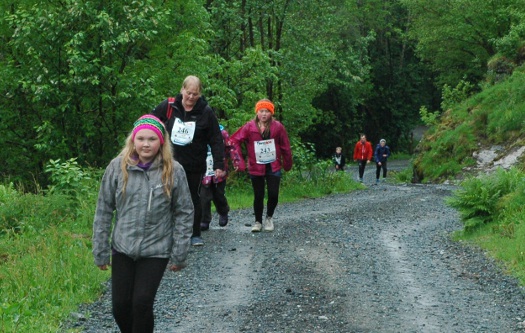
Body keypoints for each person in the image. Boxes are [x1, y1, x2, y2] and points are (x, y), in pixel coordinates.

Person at [92, 115, 194, 333]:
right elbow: (103, 209)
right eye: (141, 139)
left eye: (152, 139)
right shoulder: (117, 167)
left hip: (156, 250)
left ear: (161, 142)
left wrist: (180, 252)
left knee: (141, 303)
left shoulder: (174, 170)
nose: (146, 144)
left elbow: (184, 212)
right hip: (123, 247)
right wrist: (100, 250)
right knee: (120, 307)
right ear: (133, 141)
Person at [151, 75, 225, 246]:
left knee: (193, 197)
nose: (191, 97)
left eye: (195, 94)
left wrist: (219, 164)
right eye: (189, 93)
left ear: (200, 94)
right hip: (169, 162)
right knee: (166, 196)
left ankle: (195, 233)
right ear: (182, 90)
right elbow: (150, 123)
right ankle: (167, 233)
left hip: (195, 163)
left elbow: (215, 139)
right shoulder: (169, 106)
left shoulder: (206, 112)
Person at [230, 98, 293, 232]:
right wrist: (239, 161)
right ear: (257, 112)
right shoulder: (249, 127)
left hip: (273, 166)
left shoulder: (278, 127)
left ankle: (269, 217)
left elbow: (285, 146)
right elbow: (234, 140)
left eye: (267, 111)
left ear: (271, 113)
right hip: (256, 166)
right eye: (261, 111)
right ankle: (257, 221)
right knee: (258, 195)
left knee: (273, 194)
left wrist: (287, 163)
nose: (264, 114)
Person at [200, 125, 242, 231]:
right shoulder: (196, 131)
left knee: (218, 195)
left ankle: (223, 211)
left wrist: (236, 161)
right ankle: (204, 220)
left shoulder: (222, 133)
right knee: (204, 197)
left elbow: (231, 147)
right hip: (203, 172)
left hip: (219, 172)